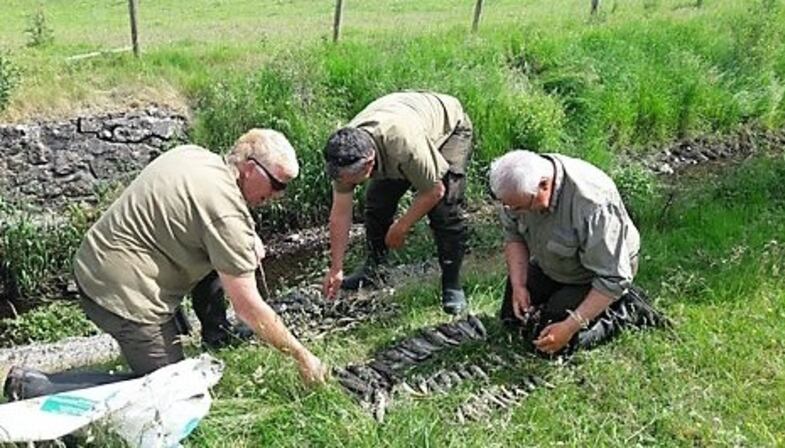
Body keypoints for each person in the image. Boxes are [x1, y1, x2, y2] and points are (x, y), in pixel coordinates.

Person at [3, 129, 327, 401]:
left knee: (224, 261)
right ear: (251, 168)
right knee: (172, 395)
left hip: (95, 262)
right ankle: (34, 386)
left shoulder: (195, 156)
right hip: (119, 295)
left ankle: (216, 333)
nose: (279, 195)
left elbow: (209, 218)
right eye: (278, 185)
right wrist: (302, 355)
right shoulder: (225, 213)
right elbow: (249, 307)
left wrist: (245, 239)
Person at [489, 150, 663, 356]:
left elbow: (613, 277)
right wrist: (519, 286)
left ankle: (623, 311)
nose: (513, 211)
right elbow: (514, 237)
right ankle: (560, 302)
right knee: (512, 320)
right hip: (553, 261)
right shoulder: (517, 191)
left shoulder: (593, 203)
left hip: (596, 274)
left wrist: (570, 327)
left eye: (520, 207)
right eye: (510, 207)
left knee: (551, 345)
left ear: (544, 185)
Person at [322, 91, 473, 315]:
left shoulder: (404, 146)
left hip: (448, 127)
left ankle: (451, 284)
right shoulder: (343, 155)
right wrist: (336, 268)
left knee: (445, 211)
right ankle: (375, 269)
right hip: (404, 115)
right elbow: (340, 214)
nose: (346, 184)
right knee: (376, 203)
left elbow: (434, 190)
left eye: (351, 180)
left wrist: (401, 226)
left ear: (369, 164)